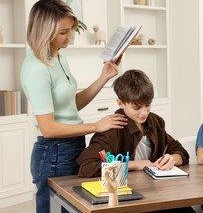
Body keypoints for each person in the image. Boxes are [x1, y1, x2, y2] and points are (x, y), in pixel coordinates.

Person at [20, 0, 127, 213]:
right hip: (54, 153)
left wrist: (103, 77)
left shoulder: (59, 58)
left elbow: (71, 105)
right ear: (43, 31)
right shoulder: (36, 68)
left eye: (71, 30)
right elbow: (49, 129)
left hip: (72, 146)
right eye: (63, 32)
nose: (70, 37)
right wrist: (96, 126)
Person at [77, 69, 195, 213]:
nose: (144, 112)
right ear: (120, 103)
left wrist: (173, 159)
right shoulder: (112, 128)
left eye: (147, 105)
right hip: (127, 199)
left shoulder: (155, 121)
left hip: (155, 194)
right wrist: (136, 165)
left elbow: (180, 151)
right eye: (137, 107)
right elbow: (87, 167)